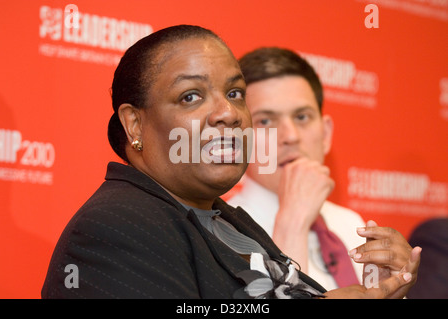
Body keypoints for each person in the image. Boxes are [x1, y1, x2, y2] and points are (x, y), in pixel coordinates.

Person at [41, 25, 419, 299]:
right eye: (190, 96)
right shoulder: (117, 227)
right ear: (135, 124)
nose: (228, 112)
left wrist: (380, 292)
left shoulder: (227, 222)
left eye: (235, 93)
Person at [228, 47, 419, 291]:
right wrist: (292, 224)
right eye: (265, 121)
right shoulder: (226, 233)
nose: (290, 136)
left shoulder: (350, 224)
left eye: (302, 117)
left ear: (326, 134)